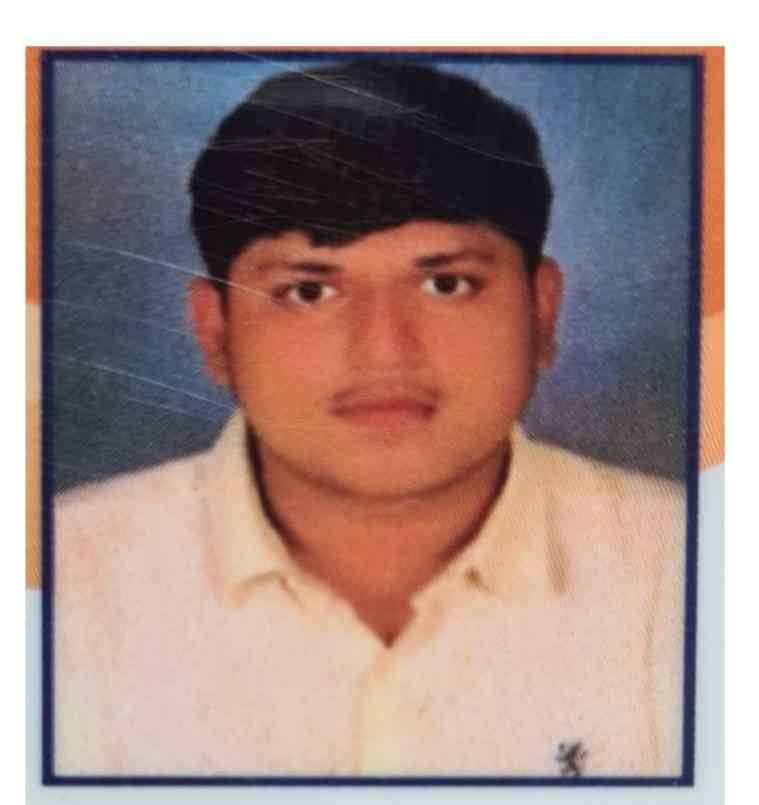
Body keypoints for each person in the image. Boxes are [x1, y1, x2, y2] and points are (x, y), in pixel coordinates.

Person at [54, 61, 685, 778]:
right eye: (308, 291)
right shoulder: (60, 579)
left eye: (445, 283)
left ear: (541, 311)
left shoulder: (691, 570)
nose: (383, 351)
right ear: (215, 331)